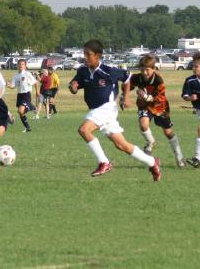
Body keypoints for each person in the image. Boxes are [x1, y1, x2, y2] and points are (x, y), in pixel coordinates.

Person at [69, 39, 161, 181]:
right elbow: (75, 86)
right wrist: (73, 86)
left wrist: (126, 97)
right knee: (121, 145)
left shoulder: (108, 71)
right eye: (84, 54)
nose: (85, 57)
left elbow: (127, 77)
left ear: (98, 55)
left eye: (88, 54)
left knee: (84, 130)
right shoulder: (82, 71)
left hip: (106, 108)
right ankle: (152, 162)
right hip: (98, 110)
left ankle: (104, 162)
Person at [130, 55, 185, 167]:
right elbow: (127, 86)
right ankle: (151, 142)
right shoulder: (136, 78)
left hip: (160, 107)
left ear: (153, 69)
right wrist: (123, 96)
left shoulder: (158, 80)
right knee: (143, 124)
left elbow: (160, 97)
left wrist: (146, 96)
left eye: (147, 70)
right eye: (142, 69)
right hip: (144, 106)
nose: (145, 72)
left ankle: (179, 157)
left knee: (168, 132)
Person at [7, 59, 37, 132]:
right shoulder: (16, 75)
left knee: (20, 110)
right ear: (17, 65)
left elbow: (35, 82)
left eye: (22, 64)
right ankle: (28, 128)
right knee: (20, 112)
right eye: (19, 64)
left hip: (26, 94)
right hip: (19, 95)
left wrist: (37, 92)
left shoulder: (27, 74)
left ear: (25, 66)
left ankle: (31, 106)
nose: (21, 65)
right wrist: (8, 85)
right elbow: (13, 86)